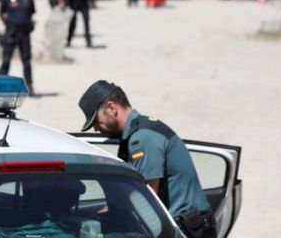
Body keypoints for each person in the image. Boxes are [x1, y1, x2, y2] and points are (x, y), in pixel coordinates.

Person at [78, 80, 216, 238]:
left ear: (111, 107)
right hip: (185, 226)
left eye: (96, 120)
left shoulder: (142, 138)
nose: (96, 128)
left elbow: (147, 201)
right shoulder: (137, 133)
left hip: (186, 230)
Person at [0, 0, 36, 95]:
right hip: (11, 32)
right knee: (6, 60)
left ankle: (29, 86)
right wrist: (9, 24)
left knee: (26, 61)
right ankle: (0, 86)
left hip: (24, 34)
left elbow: (31, 13)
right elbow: (1, 13)